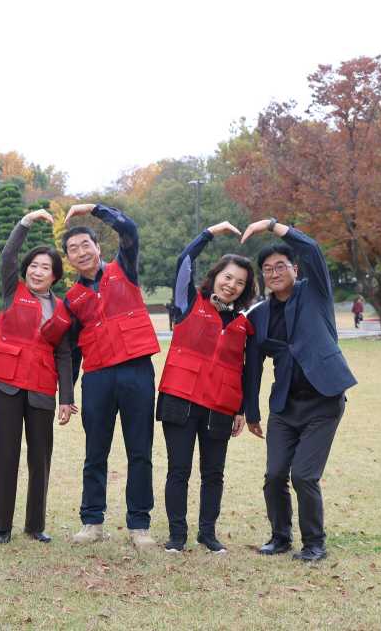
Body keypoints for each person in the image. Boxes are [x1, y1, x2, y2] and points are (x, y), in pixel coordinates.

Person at [241, 218, 357, 562]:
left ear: (295, 268)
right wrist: (252, 412)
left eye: (281, 266)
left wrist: (272, 225)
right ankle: (280, 537)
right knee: (275, 475)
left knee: (304, 475)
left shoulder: (315, 292)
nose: (274, 273)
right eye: (267, 269)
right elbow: (252, 368)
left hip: (324, 400)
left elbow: (312, 248)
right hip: (285, 407)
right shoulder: (259, 315)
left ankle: (314, 544)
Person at [62, 203, 161, 549]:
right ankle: (92, 522)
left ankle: (139, 525)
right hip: (98, 377)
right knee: (95, 451)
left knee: (140, 451)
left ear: (97, 247)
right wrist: (66, 395)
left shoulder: (125, 270)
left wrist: (95, 209)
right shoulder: (71, 299)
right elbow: (71, 352)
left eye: (85, 245)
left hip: (136, 372)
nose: (81, 252)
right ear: (69, 260)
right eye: (73, 250)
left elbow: (129, 229)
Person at [158, 222, 257, 554]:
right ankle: (176, 535)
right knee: (179, 469)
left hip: (220, 404)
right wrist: (210, 233)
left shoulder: (243, 323)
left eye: (239, 283)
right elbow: (184, 260)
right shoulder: (188, 302)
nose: (231, 285)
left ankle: (207, 533)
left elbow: (243, 369)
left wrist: (241, 408)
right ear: (216, 276)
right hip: (180, 399)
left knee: (214, 473)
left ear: (245, 290)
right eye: (227, 277)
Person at [0, 209, 77, 545]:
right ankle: (3, 526)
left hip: (41, 388)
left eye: (45, 268)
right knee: (5, 454)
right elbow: (8, 254)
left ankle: (35, 524)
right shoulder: (13, 290)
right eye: (34, 266)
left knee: (41, 457)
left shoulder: (63, 308)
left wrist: (67, 397)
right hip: (7, 385)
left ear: (54, 276)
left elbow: (64, 354)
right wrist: (25, 221)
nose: (38, 272)